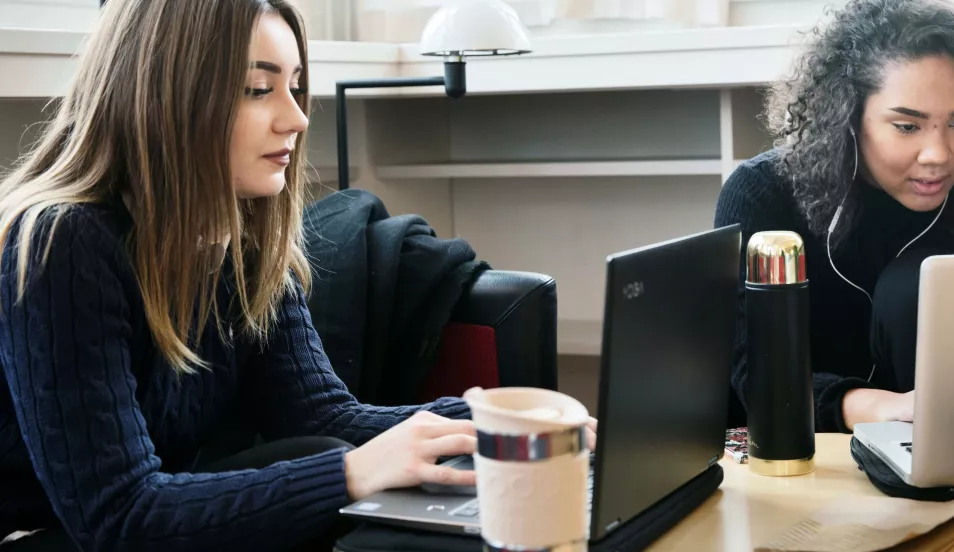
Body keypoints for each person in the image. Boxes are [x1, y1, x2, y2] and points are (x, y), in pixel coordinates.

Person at [0, 1, 593, 550]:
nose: (296, 117)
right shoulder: (61, 240)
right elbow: (118, 516)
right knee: (335, 467)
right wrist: (353, 472)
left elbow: (323, 416)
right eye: (259, 89)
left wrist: (501, 419)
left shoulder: (241, 237)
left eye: (296, 86)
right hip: (48, 533)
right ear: (167, 98)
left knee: (332, 454)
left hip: (148, 516)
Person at [715, 0, 954, 435]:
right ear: (847, 118)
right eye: (908, 127)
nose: (940, 155)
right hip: (810, 454)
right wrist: (882, 409)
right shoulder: (764, 195)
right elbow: (752, 371)